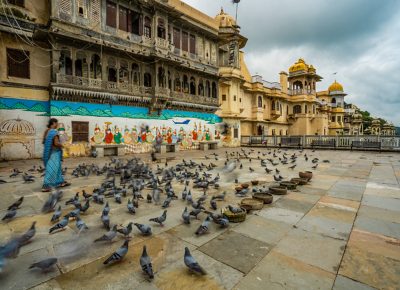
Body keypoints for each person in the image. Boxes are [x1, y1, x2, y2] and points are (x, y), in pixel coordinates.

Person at [42, 118, 70, 192]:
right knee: (52, 169)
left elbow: (44, 141)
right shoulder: (53, 132)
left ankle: (60, 182)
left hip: (49, 152)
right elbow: (56, 143)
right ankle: (47, 185)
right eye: (56, 123)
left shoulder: (46, 131)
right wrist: (63, 145)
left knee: (57, 168)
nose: (57, 125)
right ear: (53, 123)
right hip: (54, 153)